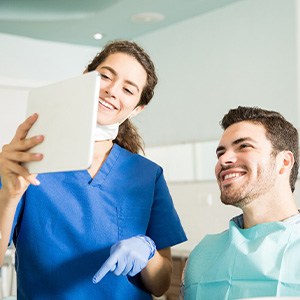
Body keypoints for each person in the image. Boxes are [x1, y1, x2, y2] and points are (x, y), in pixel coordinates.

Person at [0, 40, 187, 299]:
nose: (112, 90)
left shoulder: (147, 175)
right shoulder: (28, 159)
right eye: (105, 76)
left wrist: (147, 252)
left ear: (137, 109)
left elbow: (162, 284)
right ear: (86, 78)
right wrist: (9, 194)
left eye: (128, 90)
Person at [183, 106, 300, 299]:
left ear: (284, 162)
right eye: (220, 153)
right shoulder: (202, 256)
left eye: (244, 146)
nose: (224, 160)